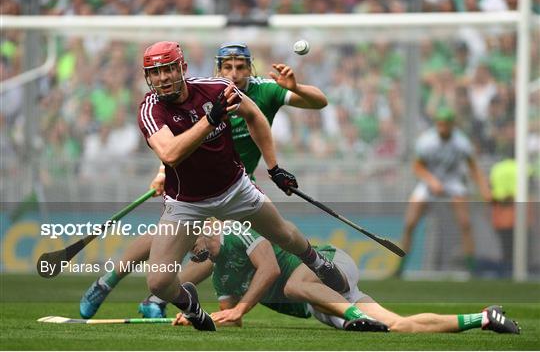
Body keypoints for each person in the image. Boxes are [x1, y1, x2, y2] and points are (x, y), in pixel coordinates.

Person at [79, 41, 341, 330]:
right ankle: (187, 304)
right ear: (147, 77)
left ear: (183, 69)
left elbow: (256, 115)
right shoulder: (150, 109)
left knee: (281, 235)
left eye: (168, 69)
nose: (163, 78)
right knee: (158, 280)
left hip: (236, 188)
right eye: (155, 73)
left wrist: (274, 168)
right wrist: (210, 120)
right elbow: (170, 153)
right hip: (187, 202)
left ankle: (316, 261)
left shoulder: (223, 89)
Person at [171, 229, 520, 334]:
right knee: (397, 326)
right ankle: (484, 317)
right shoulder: (221, 277)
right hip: (322, 298)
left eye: (191, 246)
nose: (190, 253)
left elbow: (271, 272)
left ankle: (353, 316)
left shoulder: (237, 233)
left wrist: (240, 306)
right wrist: (197, 316)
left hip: (329, 266)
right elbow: (231, 316)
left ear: (203, 231)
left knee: (293, 286)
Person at [395, 107, 492, 277]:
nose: (442, 128)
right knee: (410, 223)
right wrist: (432, 181)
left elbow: (473, 167)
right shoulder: (427, 141)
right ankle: (400, 268)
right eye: (439, 124)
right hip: (429, 182)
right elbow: (417, 167)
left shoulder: (462, 143)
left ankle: (471, 270)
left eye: (445, 125)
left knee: (465, 223)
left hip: (453, 182)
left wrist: (484, 189)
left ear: (452, 125)